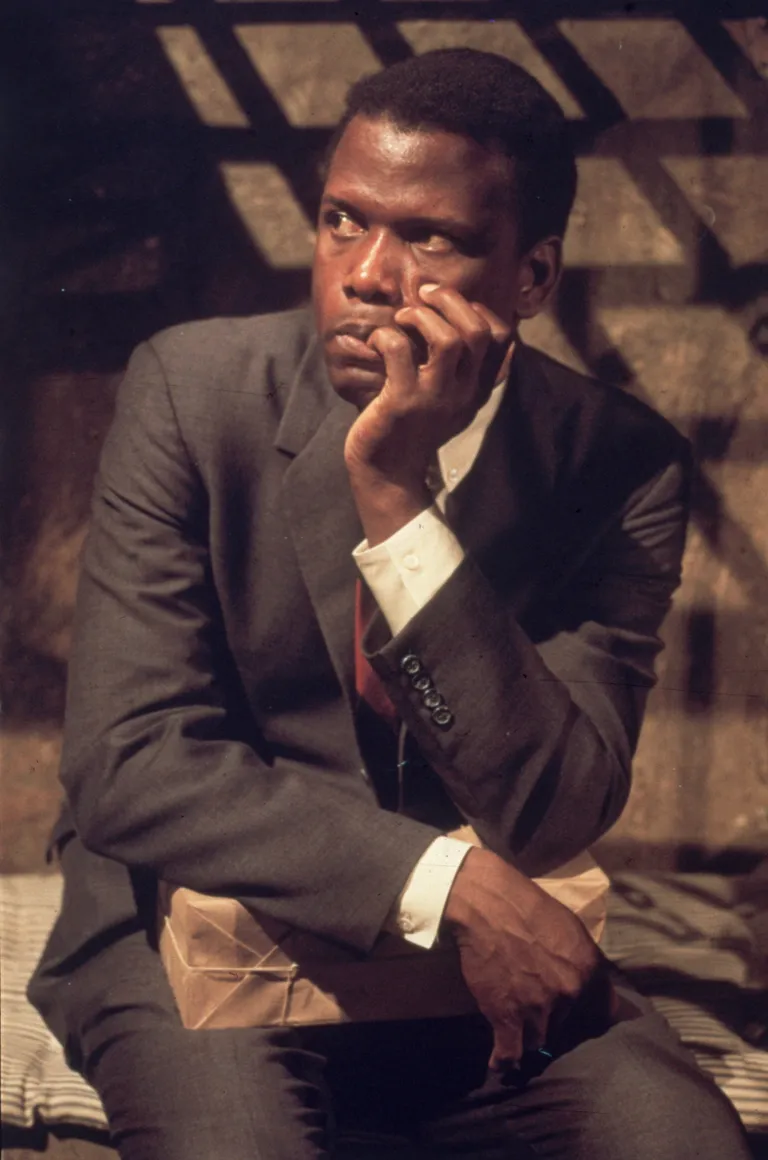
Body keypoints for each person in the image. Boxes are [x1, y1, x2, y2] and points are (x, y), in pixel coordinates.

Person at [30, 48, 750, 1160]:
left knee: (681, 1142)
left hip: (460, 976)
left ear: (531, 278)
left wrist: (398, 503)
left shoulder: (617, 460)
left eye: (433, 238)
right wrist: (445, 879)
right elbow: (131, 759)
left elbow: (554, 803)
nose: (368, 273)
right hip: (195, 924)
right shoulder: (191, 388)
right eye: (341, 220)